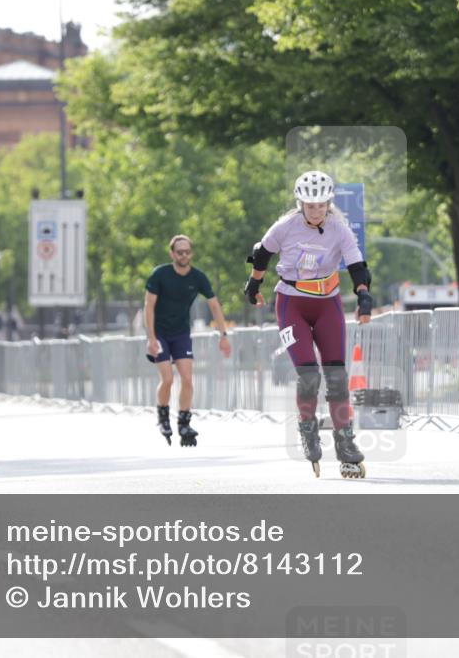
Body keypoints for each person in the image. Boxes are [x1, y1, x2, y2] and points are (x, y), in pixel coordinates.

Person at [244, 170, 374, 479]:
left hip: (327, 302)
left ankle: (345, 443)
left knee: (337, 376)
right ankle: (308, 430)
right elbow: (261, 255)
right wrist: (253, 286)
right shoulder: (285, 227)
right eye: (309, 205)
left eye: (320, 205)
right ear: (300, 203)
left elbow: (357, 265)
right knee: (309, 375)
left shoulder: (339, 229)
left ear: (329, 203)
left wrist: (364, 296)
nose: (315, 211)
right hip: (291, 303)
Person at [145, 234, 232, 446]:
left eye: (187, 252)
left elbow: (214, 305)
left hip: (181, 333)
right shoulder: (160, 274)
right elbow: (148, 306)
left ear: (191, 253)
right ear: (172, 253)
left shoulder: (198, 277)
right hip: (160, 333)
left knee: (187, 378)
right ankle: (163, 416)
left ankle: (184, 421)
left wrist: (223, 336)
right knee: (167, 379)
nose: (183, 255)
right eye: (179, 252)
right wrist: (151, 338)